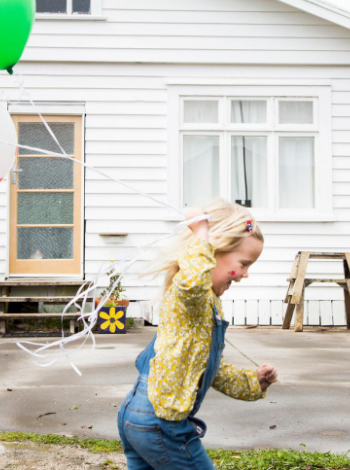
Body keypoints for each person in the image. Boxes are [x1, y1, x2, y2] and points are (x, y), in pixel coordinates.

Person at [117, 199, 278, 470]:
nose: (245, 274)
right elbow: (193, 281)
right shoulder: (189, 294)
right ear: (213, 251)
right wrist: (201, 231)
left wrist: (254, 383)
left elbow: (208, 370)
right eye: (244, 263)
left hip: (137, 417)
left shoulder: (207, 304)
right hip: (160, 424)